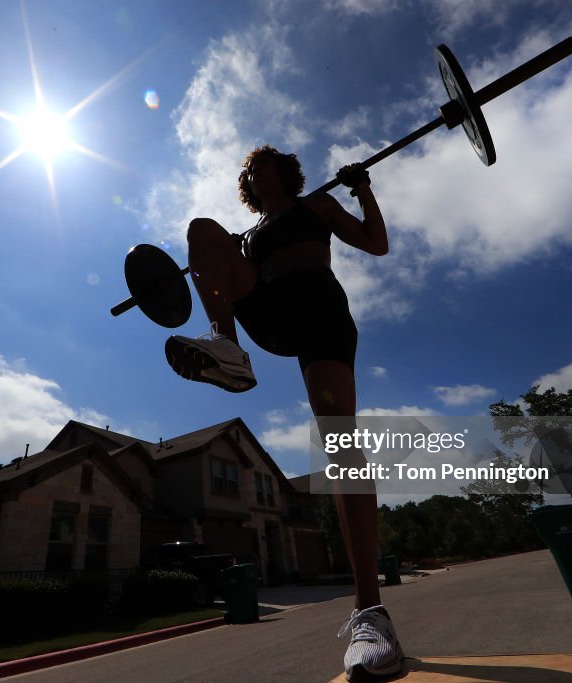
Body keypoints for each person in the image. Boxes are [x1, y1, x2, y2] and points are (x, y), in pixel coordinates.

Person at [164, 145, 403, 681]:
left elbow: (377, 244)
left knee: (340, 444)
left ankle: (371, 614)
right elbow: (213, 265)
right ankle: (226, 346)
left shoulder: (317, 205)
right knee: (205, 231)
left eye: (263, 162)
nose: (254, 170)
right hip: (269, 315)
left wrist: (362, 191)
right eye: (249, 168)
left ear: (285, 171)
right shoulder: (245, 239)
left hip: (320, 312)